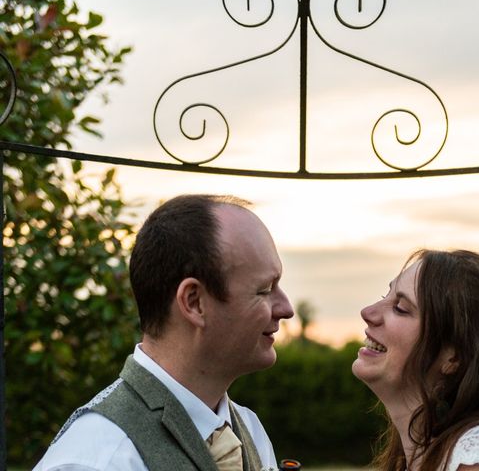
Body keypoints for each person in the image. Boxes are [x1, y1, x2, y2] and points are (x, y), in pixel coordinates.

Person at [35, 194, 294, 471]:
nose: (286, 308)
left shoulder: (250, 431)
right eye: (264, 290)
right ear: (194, 302)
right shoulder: (100, 459)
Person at [352, 249, 479, 471]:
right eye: (386, 296)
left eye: (400, 308)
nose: (368, 312)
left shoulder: (478, 459)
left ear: (454, 357)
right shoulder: (421, 456)